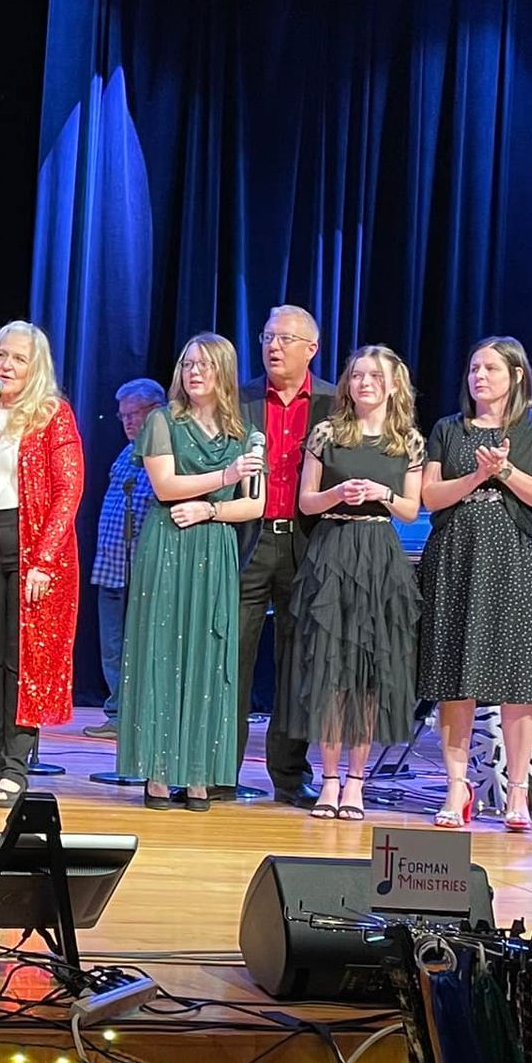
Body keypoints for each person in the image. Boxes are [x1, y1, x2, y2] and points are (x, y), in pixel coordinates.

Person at [417, 338, 532, 830]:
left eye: (490, 369)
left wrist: (502, 469)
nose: (479, 376)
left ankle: (517, 793)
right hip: (457, 556)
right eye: (474, 368)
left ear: (516, 375)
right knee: (454, 674)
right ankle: (457, 788)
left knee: (519, 677)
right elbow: (430, 496)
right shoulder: (447, 429)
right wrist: (475, 477)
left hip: (518, 561)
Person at [115, 333, 265, 809]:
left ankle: (199, 774)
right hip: (168, 546)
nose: (194, 372)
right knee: (161, 651)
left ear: (223, 371)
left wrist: (211, 512)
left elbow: (255, 503)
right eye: (187, 364)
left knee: (208, 655)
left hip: (213, 547)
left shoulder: (243, 432)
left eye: (204, 365)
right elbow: (165, 487)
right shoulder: (162, 421)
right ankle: (158, 772)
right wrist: (224, 478)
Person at [284, 346, 424, 823]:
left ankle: (356, 784)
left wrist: (382, 492)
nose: (365, 382)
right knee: (329, 671)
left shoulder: (407, 440)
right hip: (333, 548)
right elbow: (306, 501)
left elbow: (409, 509)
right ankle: (326, 780)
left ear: (392, 384)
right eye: (357, 374)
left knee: (367, 675)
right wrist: (337, 493)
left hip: (379, 554)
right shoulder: (327, 433)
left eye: (375, 375)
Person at [0, 322, 85, 807]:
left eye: (18, 359)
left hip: (30, 547)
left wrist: (44, 560)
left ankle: (15, 765)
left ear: (36, 368)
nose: (6, 366)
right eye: (1, 355)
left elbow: (68, 491)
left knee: (22, 659)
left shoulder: (53, 415)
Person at [237, 305, 334, 805]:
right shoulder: (241, 397)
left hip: (307, 541)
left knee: (299, 662)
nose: (273, 346)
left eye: (285, 338)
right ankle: (217, 768)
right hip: (246, 541)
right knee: (232, 656)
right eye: (268, 336)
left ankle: (290, 775)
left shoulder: (335, 403)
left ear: (310, 348)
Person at [86, 378, 167, 738]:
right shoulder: (125, 452)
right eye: (123, 416)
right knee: (113, 645)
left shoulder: (165, 452)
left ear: (158, 411)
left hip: (143, 566)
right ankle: (117, 714)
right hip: (112, 564)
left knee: (141, 645)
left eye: (135, 414)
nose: (128, 422)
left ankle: (139, 717)